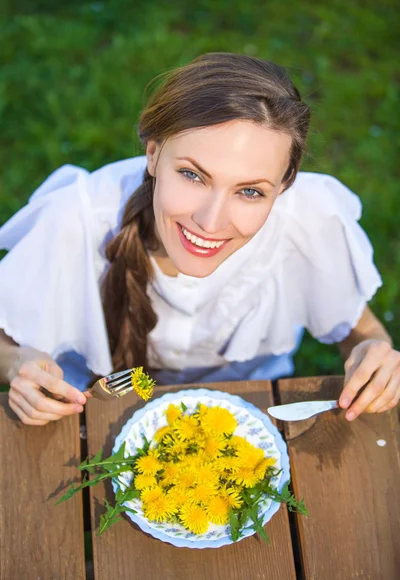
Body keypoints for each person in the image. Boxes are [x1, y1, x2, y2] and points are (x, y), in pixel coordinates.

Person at [0, 53, 398, 426]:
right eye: (193, 175)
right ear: (153, 154)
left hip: (252, 409)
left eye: (250, 191)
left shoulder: (310, 220)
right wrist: (20, 362)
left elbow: (357, 329)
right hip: (95, 409)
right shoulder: (75, 219)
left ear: (284, 186)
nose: (210, 221)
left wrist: (370, 352)